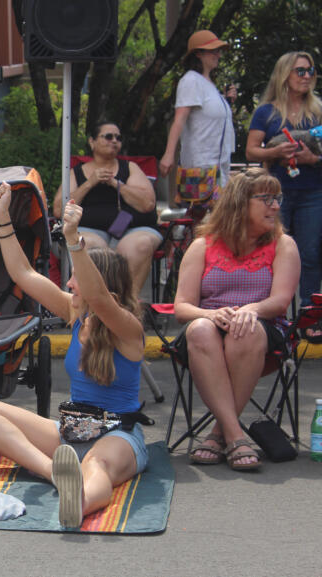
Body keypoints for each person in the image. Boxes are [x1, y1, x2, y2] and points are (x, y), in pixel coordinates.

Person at [0, 185, 149, 527]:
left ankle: (77, 503)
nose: (68, 284)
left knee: (97, 468)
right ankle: (55, 473)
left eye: (75, 278)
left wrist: (73, 238)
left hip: (116, 436)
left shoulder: (128, 328)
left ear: (99, 283)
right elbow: (23, 274)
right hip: (69, 432)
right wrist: (2, 216)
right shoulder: (75, 312)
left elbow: (99, 297)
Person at [174, 168, 300, 471]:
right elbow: (182, 307)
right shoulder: (202, 246)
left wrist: (250, 310)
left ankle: (221, 433)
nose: (276, 206)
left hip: (263, 330)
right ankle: (234, 434)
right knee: (201, 329)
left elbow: (281, 301)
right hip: (208, 330)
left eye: (277, 198)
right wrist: (210, 313)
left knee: (247, 329)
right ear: (240, 203)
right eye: (266, 199)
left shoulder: (284, 245)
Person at [246, 51, 322, 338]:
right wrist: (275, 152)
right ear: (284, 75)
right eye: (300, 71)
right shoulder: (266, 112)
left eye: (310, 71)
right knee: (272, 252)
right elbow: (251, 150)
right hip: (275, 193)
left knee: (310, 253)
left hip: (314, 190)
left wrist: (312, 160)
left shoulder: (319, 110)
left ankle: (309, 318)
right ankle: (275, 317)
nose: (306, 76)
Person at [53, 121, 161, 296]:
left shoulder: (130, 168)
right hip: (90, 230)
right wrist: (90, 183)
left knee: (140, 245)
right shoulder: (77, 172)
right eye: (108, 136)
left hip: (132, 229)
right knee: (90, 247)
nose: (114, 141)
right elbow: (59, 209)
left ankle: (127, 305)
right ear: (92, 142)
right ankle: (98, 306)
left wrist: (116, 183)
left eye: (118, 138)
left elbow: (147, 203)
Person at [159, 30, 236, 190]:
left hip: (218, 166)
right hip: (200, 166)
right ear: (198, 54)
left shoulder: (209, 85)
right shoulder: (191, 80)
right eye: (213, 51)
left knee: (217, 213)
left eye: (218, 50)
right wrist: (169, 154)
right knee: (197, 212)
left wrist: (227, 102)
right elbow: (179, 120)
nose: (218, 55)